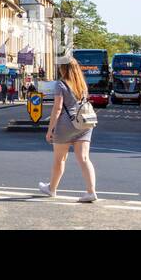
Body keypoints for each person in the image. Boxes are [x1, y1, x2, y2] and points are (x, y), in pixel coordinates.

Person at [38, 56, 99, 203]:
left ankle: (51, 189)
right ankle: (91, 191)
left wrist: (50, 129)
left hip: (66, 124)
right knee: (84, 159)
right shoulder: (82, 84)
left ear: (63, 68)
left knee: (60, 160)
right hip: (84, 123)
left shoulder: (61, 84)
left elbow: (58, 108)